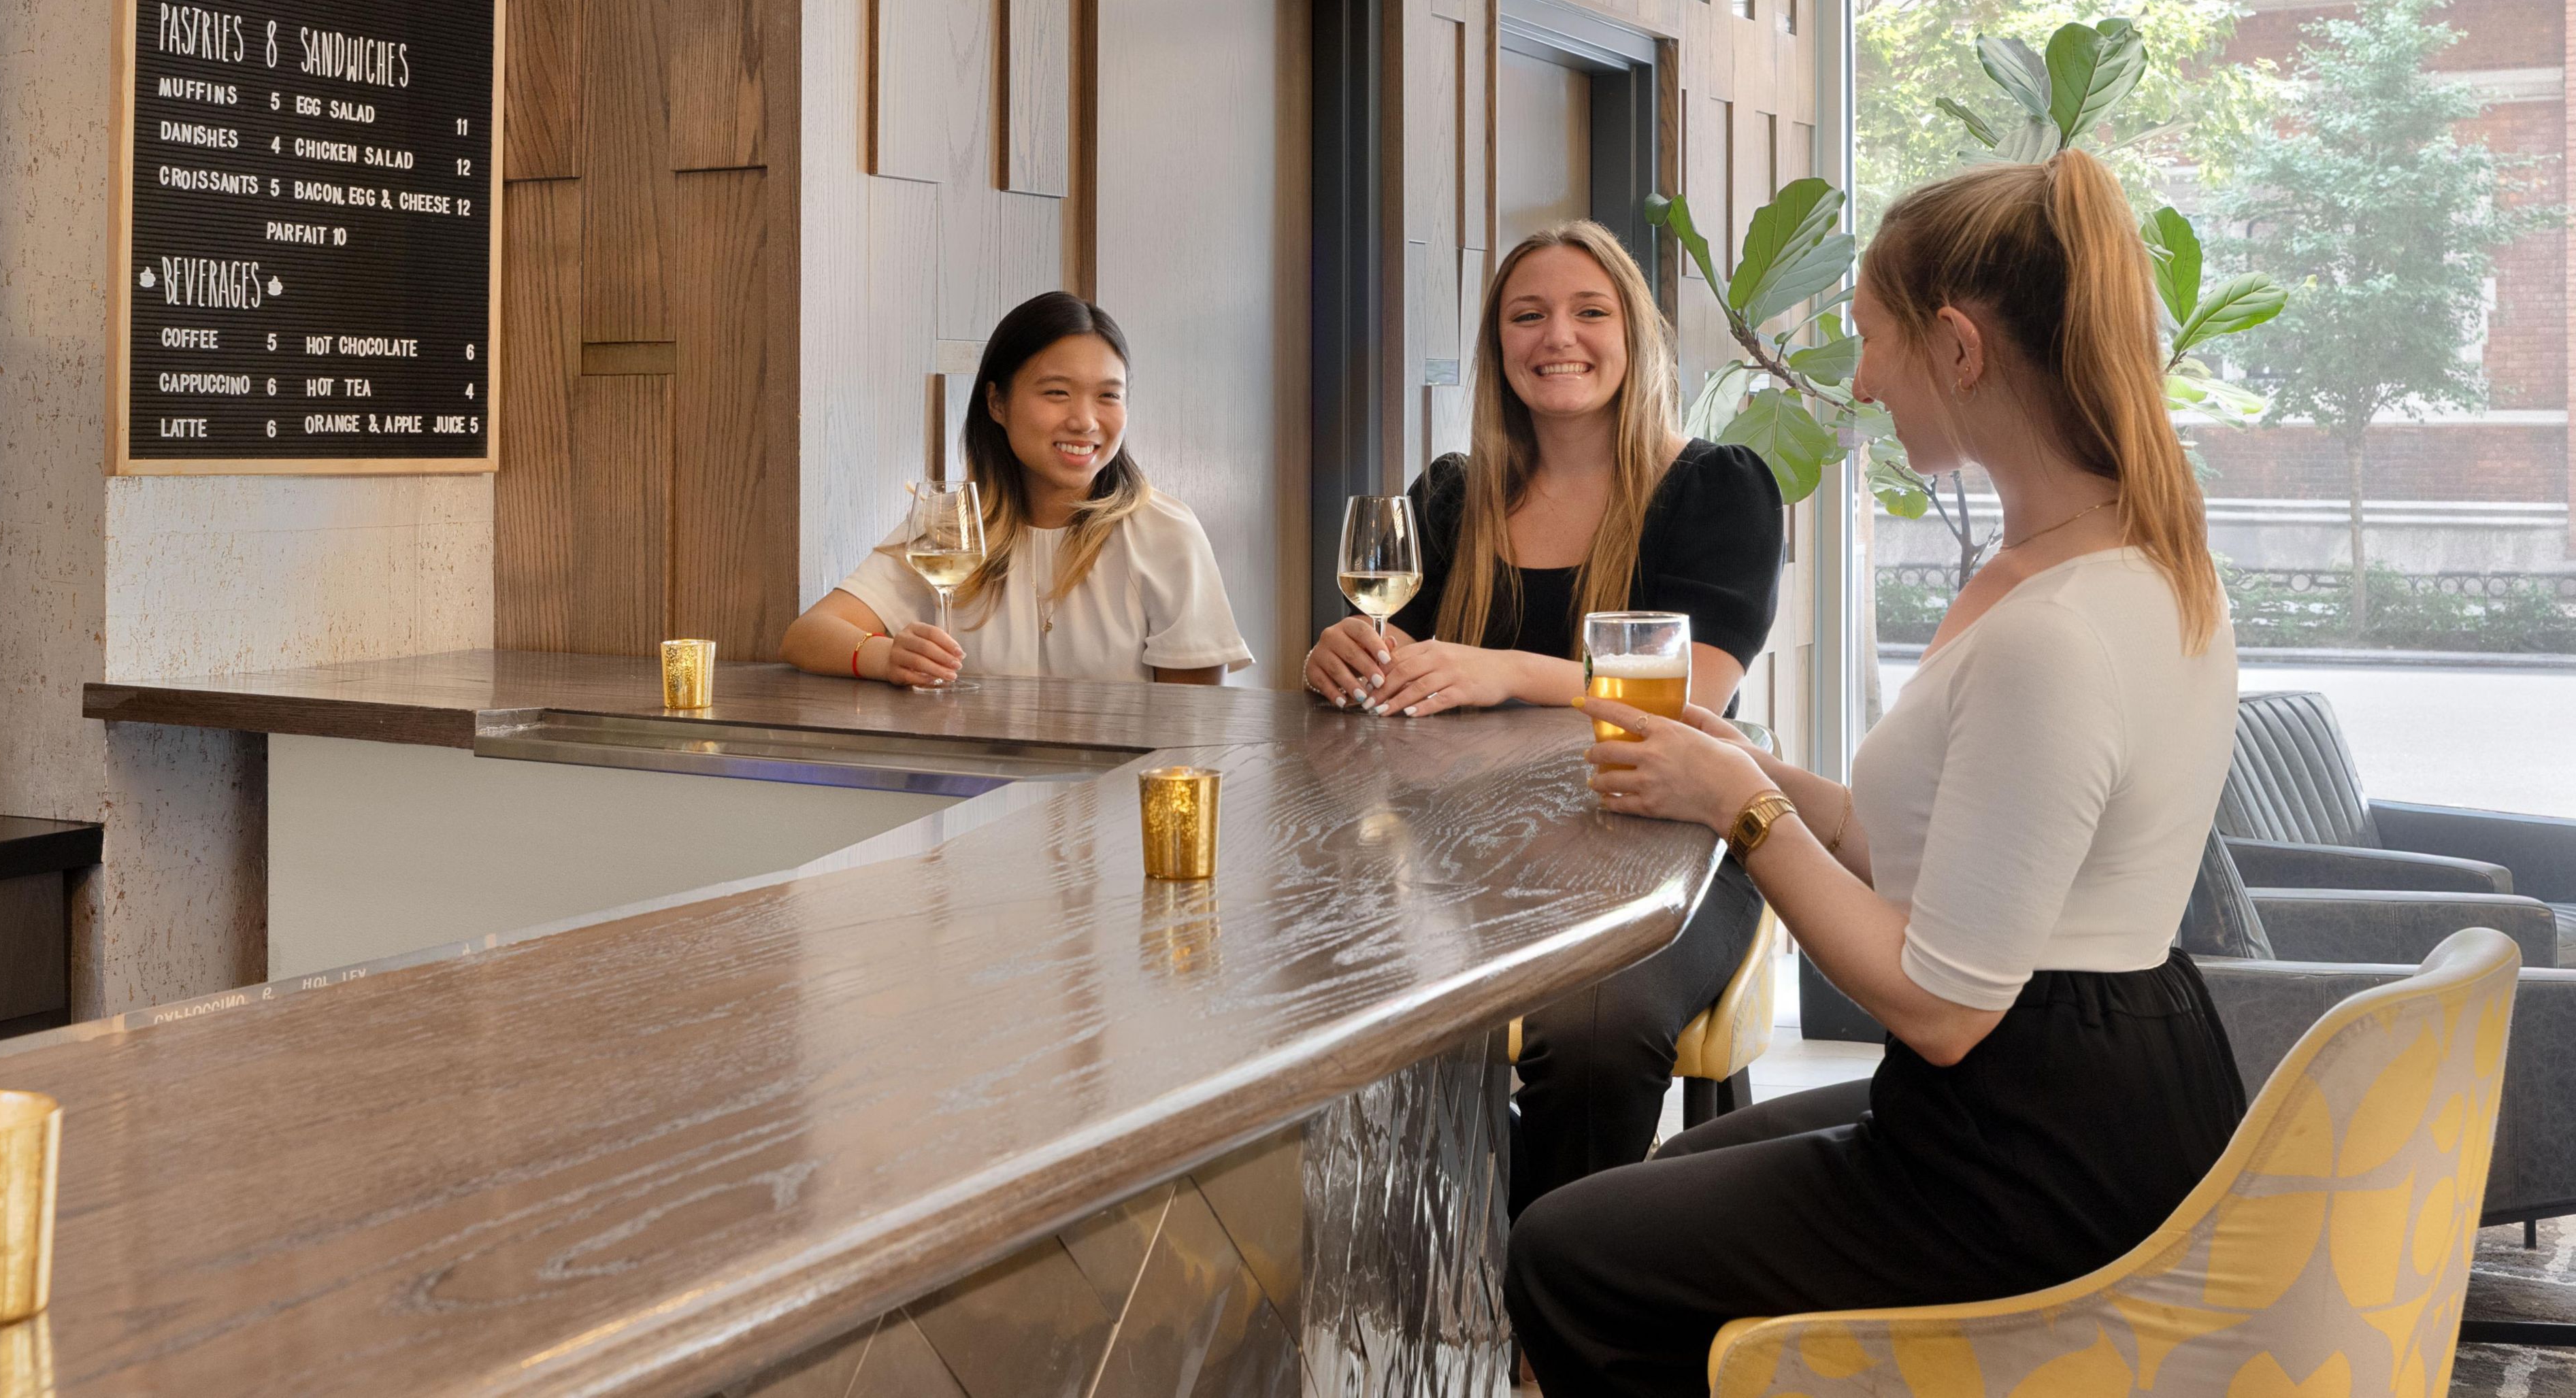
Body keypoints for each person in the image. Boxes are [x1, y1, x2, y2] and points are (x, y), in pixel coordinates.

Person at [1504, 150, 2245, 1398]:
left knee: (1567, 1252)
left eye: (1872, 339)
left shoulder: (2055, 631)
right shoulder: (2110, 559)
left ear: (1958, 347)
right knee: (1649, 1191)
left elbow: (1941, 1009)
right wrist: (1742, 762)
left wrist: (1740, 812)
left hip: (2036, 1146)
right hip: (2088, 1079)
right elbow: (1918, 836)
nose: (1860, 381)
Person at [1301, 220, 1785, 1222]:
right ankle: (1448, 1260)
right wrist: (1340, 659)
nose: (1557, 336)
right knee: (1326, 984)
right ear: (1498, 346)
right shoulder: (1450, 498)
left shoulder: (1717, 490)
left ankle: (1553, 1288)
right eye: (1527, 316)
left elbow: (1693, 701)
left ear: (1635, 334)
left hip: (1666, 857)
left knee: (1595, 1033)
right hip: (1465, 856)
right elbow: (1392, 684)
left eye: (1588, 311)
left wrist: (1505, 671)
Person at [780, 291, 1253, 686]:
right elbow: (807, 635)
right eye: (1056, 392)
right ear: (997, 403)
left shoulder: (1163, 533)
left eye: (1109, 395)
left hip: (1121, 775)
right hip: (972, 771)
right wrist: (887, 658)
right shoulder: (955, 528)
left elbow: (1192, 724)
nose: (1085, 421)